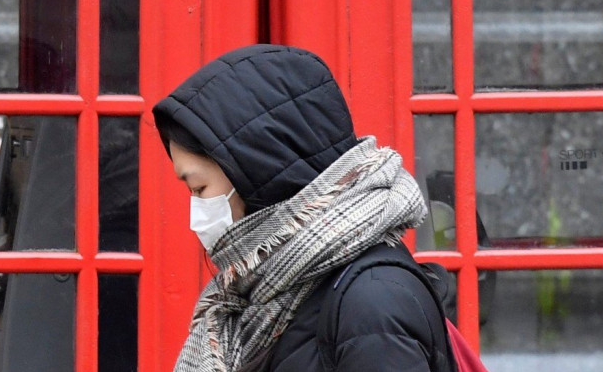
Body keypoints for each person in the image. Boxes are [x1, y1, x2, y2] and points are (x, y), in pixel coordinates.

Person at [152, 44, 457, 372]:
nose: (195, 214)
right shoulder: (267, 297)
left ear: (256, 172)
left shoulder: (374, 303)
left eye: (199, 188)